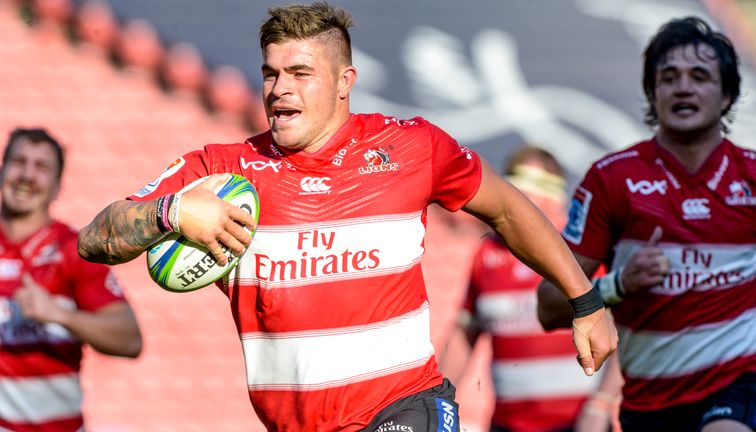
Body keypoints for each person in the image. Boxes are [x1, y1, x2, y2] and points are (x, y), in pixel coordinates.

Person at [77, 2, 616, 431]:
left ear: (344, 81)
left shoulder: (411, 148)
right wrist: (171, 211)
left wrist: (585, 301)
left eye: (299, 73)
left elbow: (506, 208)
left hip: (405, 406)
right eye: (269, 73)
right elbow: (95, 238)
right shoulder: (219, 171)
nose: (279, 89)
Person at [537, 16, 756, 432]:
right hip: (649, 402)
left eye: (700, 76)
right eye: (669, 77)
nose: (683, 87)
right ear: (652, 92)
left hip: (741, 382)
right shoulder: (611, 180)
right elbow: (548, 306)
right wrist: (619, 284)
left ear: (728, 95)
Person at [441, 146, 616, 432]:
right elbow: (465, 333)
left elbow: (625, 331)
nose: (510, 205)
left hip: (579, 425)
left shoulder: (581, 253)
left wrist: (600, 407)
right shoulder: (486, 255)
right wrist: (440, 401)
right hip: (507, 425)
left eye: (523, 195)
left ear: (554, 198)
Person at [0, 128, 143, 432]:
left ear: (56, 187)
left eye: (41, 167)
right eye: (18, 162)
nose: (26, 175)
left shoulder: (74, 250)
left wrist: (58, 314)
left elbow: (131, 340)